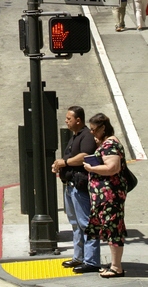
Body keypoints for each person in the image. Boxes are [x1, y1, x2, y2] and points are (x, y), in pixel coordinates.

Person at [52, 106, 101, 274]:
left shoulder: (86, 136)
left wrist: (64, 163)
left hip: (79, 188)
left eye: (69, 119)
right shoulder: (76, 136)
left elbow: (84, 157)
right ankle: (79, 257)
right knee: (75, 224)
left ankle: (92, 260)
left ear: (78, 120)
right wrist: (59, 164)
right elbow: (70, 157)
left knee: (85, 223)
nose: (66, 121)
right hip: (70, 186)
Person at [84, 113, 128, 278]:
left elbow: (112, 168)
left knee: (113, 229)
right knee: (110, 228)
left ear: (103, 128)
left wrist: (91, 168)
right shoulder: (107, 143)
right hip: (106, 196)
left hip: (110, 196)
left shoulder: (110, 145)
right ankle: (114, 265)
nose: (92, 133)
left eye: (94, 130)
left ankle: (117, 267)